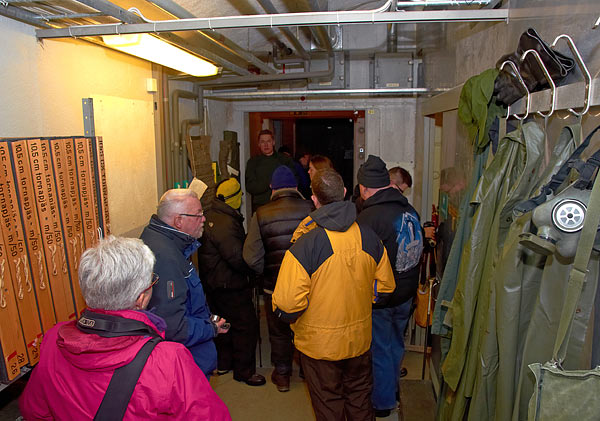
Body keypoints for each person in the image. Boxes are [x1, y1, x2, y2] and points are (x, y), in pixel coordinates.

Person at [19, 236, 231, 420]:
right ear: (141, 298)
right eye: (152, 282)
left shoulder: (54, 340)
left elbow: (34, 411)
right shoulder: (168, 359)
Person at [272, 168, 396, 421]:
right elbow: (384, 288)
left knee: (329, 404)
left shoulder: (307, 244)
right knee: (360, 399)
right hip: (359, 340)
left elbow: (287, 304)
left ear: (314, 199)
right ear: (345, 193)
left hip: (320, 347)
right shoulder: (368, 236)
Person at [357, 155, 424, 418]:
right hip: (406, 293)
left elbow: (362, 263)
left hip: (382, 297)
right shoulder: (409, 210)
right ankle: (392, 389)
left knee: (379, 350)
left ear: (364, 188)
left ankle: (383, 404)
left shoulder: (369, 218)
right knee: (396, 344)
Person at [140, 189, 228, 377]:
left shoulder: (166, 242)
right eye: (198, 214)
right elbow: (172, 326)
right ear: (178, 221)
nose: (203, 219)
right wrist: (210, 328)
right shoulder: (166, 258)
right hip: (185, 367)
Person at [243, 165, 314, 392]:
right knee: (307, 327)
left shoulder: (261, 213)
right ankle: (306, 370)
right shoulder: (312, 209)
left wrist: (266, 271)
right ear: (295, 186)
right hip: (308, 286)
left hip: (275, 287)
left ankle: (282, 375)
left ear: (272, 188)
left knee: (279, 332)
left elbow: (250, 256)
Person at [198, 178, 266, 386]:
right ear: (234, 198)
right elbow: (237, 257)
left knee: (222, 324)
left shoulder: (212, 215)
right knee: (245, 326)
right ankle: (244, 371)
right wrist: (253, 271)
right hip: (230, 284)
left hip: (213, 283)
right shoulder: (226, 223)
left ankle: (224, 362)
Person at [245, 129, 295, 211]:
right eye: (262, 142)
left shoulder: (284, 160)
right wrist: (270, 182)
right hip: (261, 206)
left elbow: (294, 180)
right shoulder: (253, 162)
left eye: (268, 141)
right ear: (258, 144)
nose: (266, 145)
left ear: (273, 142)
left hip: (282, 203)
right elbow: (250, 186)